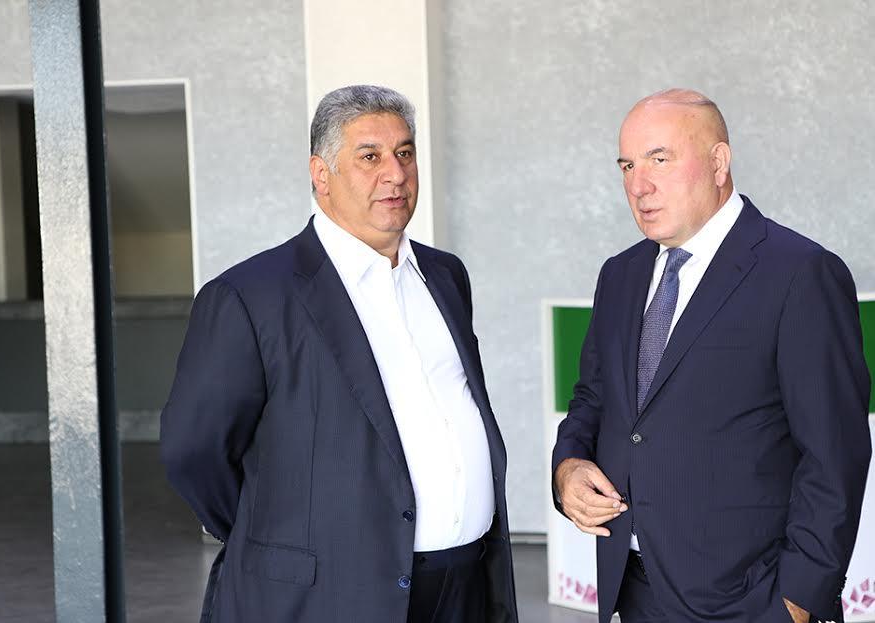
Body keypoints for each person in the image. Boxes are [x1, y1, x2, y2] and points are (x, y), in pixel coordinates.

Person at [161, 85, 518, 623]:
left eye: (404, 152)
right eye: (369, 157)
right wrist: (274, 532)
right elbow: (194, 451)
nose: (395, 174)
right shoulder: (250, 296)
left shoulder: (446, 275)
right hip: (332, 595)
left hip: (465, 585)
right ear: (321, 174)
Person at [552, 88, 871, 623]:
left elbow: (835, 456)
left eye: (659, 159)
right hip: (633, 591)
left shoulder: (800, 274)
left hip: (752, 600)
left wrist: (796, 602)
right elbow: (593, 398)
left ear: (719, 162)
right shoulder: (621, 274)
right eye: (627, 165)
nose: (638, 185)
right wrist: (568, 466)